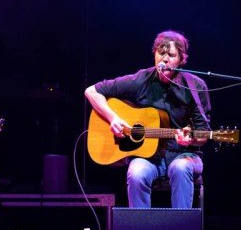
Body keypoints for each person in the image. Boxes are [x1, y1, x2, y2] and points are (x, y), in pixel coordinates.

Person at [85, 30, 211, 208]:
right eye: (160, 53)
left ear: (181, 60)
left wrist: (190, 139)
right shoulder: (141, 79)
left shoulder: (195, 85)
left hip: (184, 155)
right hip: (149, 158)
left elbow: (203, 135)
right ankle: (139, 226)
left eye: (171, 55)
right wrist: (113, 118)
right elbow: (92, 91)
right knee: (136, 172)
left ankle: (180, 226)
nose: (164, 59)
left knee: (180, 169)